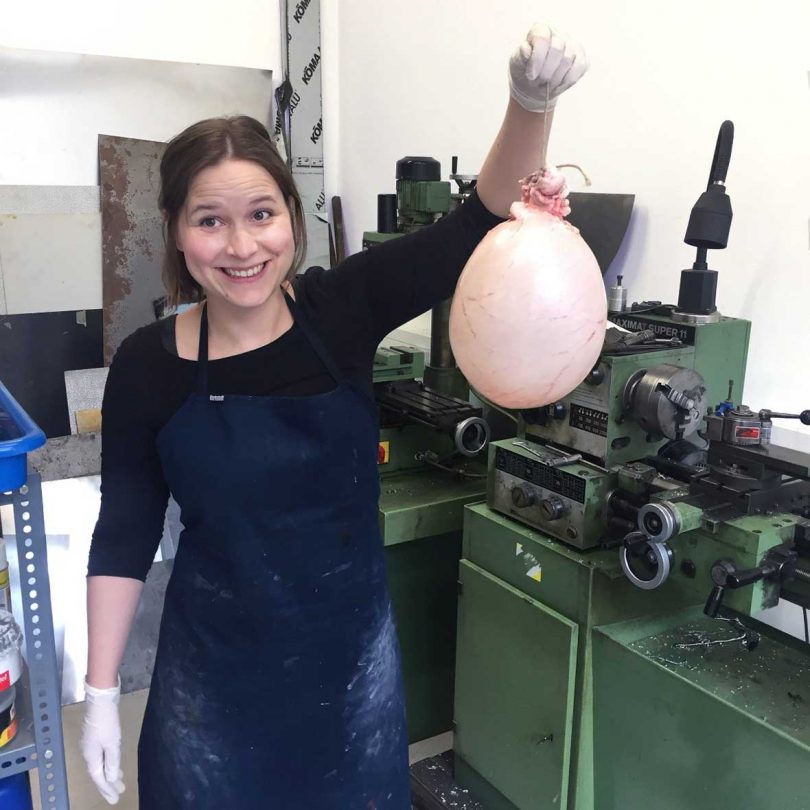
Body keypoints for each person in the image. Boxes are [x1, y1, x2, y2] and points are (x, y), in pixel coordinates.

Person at [79, 22, 588, 809]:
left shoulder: (343, 310)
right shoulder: (150, 366)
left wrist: (530, 105)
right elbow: (125, 531)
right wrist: (103, 691)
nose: (241, 245)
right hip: (212, 687)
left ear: (291, 215)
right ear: (178, 235)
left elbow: (477, 222)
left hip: (349, 675)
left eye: (262, 214)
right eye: (210, 220)